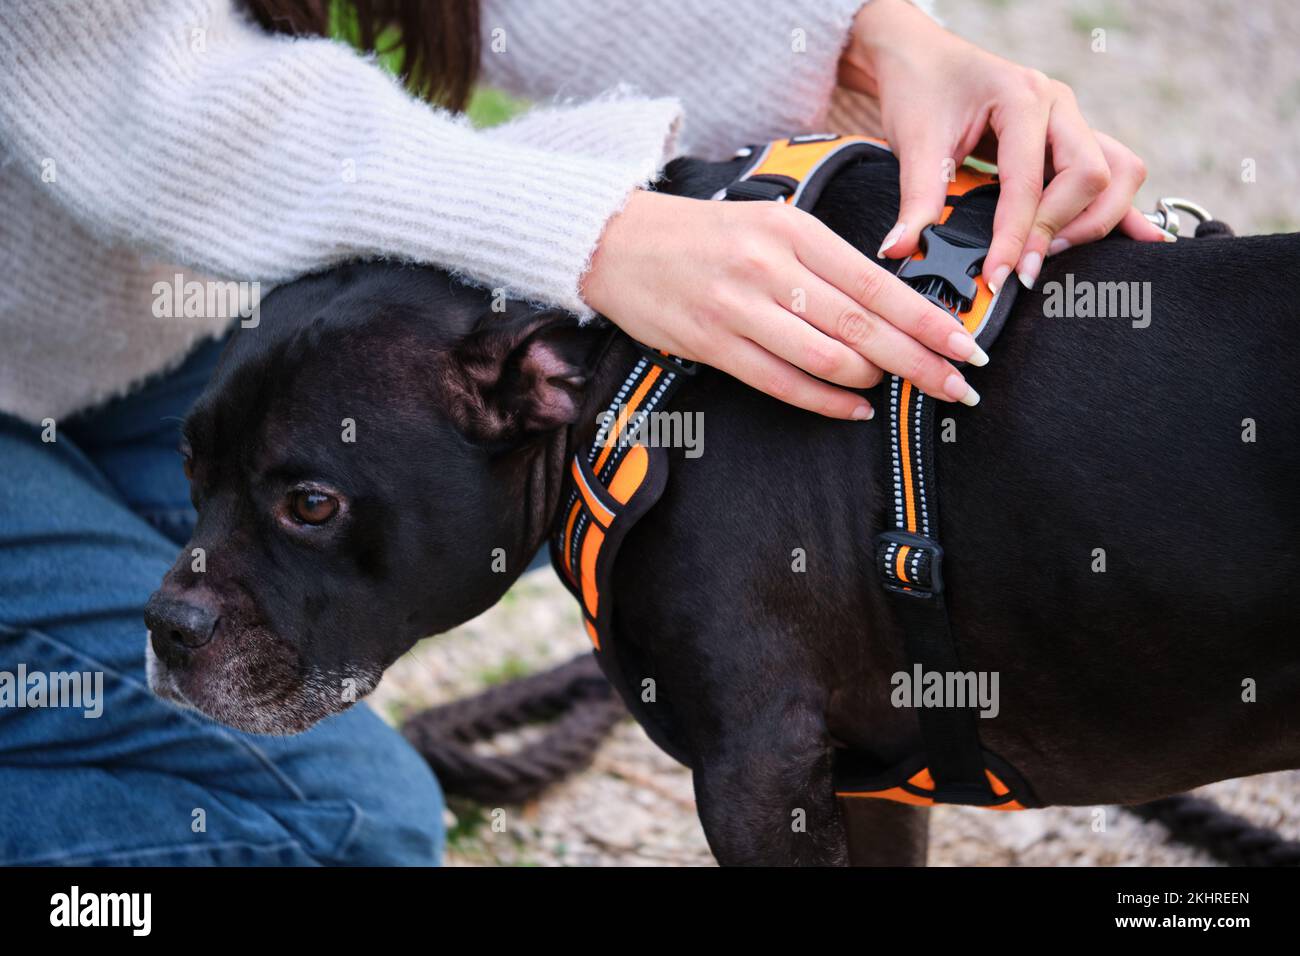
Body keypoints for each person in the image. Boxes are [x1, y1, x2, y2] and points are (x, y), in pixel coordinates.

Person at [0, 0, 1164, 865]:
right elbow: (143, 96)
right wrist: (590, 230)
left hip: (119, 345)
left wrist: (873, 40)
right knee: (336, 824)